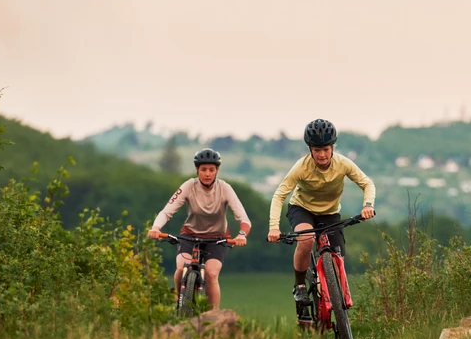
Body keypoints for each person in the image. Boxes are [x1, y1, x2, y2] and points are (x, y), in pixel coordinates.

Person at [266, 118, 376, 322]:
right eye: (317, 150)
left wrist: (368, 205)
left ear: (333, 146)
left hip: (330, 213)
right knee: (306, 239)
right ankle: (299, 285)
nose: (322, 154)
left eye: (326, 149)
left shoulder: (343, 164)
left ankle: (336, 294)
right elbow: (279, 195)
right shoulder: (301, 167)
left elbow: (366, 183)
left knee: (338, 255)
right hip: (302, 209)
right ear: (310, 149)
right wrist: (274, 227)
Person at [148, 148, 250, 310]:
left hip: (217, 238)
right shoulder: (189, 186)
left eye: (211, 170)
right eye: (203, 170)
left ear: (217, 170)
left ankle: (213, 315)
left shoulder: (225, 188)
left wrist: (242, 234)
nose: (207, 174)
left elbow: (243, 218)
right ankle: (179, 299)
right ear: (197, 170)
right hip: (190, 235)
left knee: (211, 274)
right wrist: (156, 227)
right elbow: (167, 211)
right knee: (181, 268)